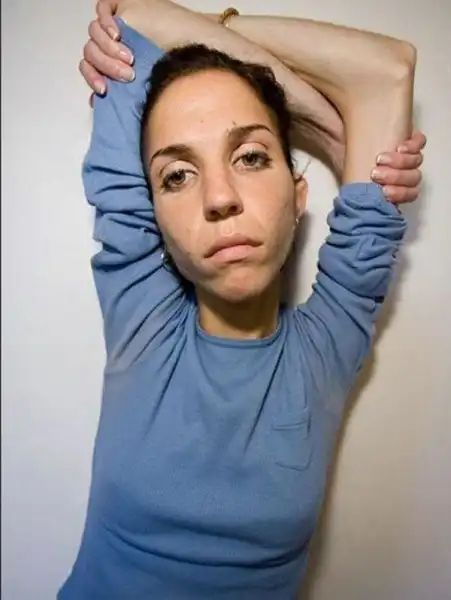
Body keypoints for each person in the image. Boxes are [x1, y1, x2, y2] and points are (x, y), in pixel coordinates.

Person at [59, 1, 426, 598]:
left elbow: (387, 70)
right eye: (177, 175)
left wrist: (246, 63)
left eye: (252, 156)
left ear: (299, 195)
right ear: (153, 216)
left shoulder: (325, 349)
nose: (219, 198)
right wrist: (319, 119)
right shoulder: (143, 317)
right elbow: (135, 17)